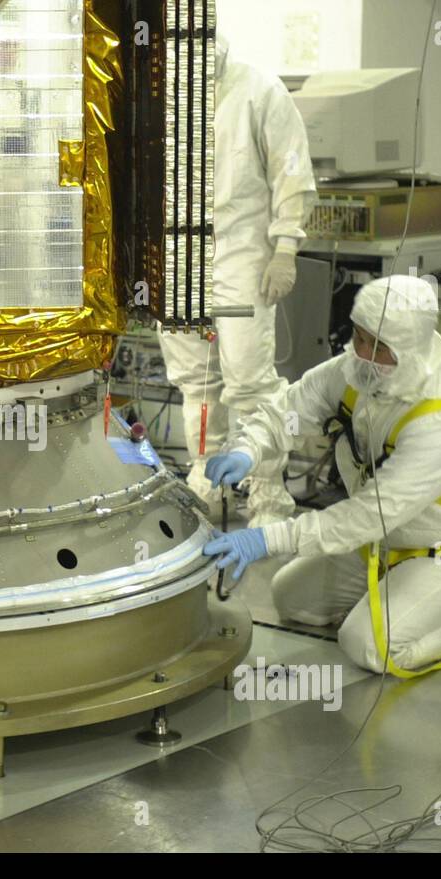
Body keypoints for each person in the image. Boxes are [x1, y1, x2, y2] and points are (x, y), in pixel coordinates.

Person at [200, 275, 441, 676]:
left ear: (410, 349)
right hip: (388, 540)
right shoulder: (359, 372)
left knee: (369, 645)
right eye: (359, 336)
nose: (360, 352)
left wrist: (267, 538)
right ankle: (406, 599)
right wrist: (247, 448)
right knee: (291, 598)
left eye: (377, 346)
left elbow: (367, 515)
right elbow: (289, 409)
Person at [157, 37, 316, 524]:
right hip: (178, 253)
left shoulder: (258, 90)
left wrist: (285, 248)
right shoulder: (160, 95)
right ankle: (206, 476)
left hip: (241, 251)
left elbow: (291, 172)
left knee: (249, 381)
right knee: (195, 382)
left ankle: (267, 493)